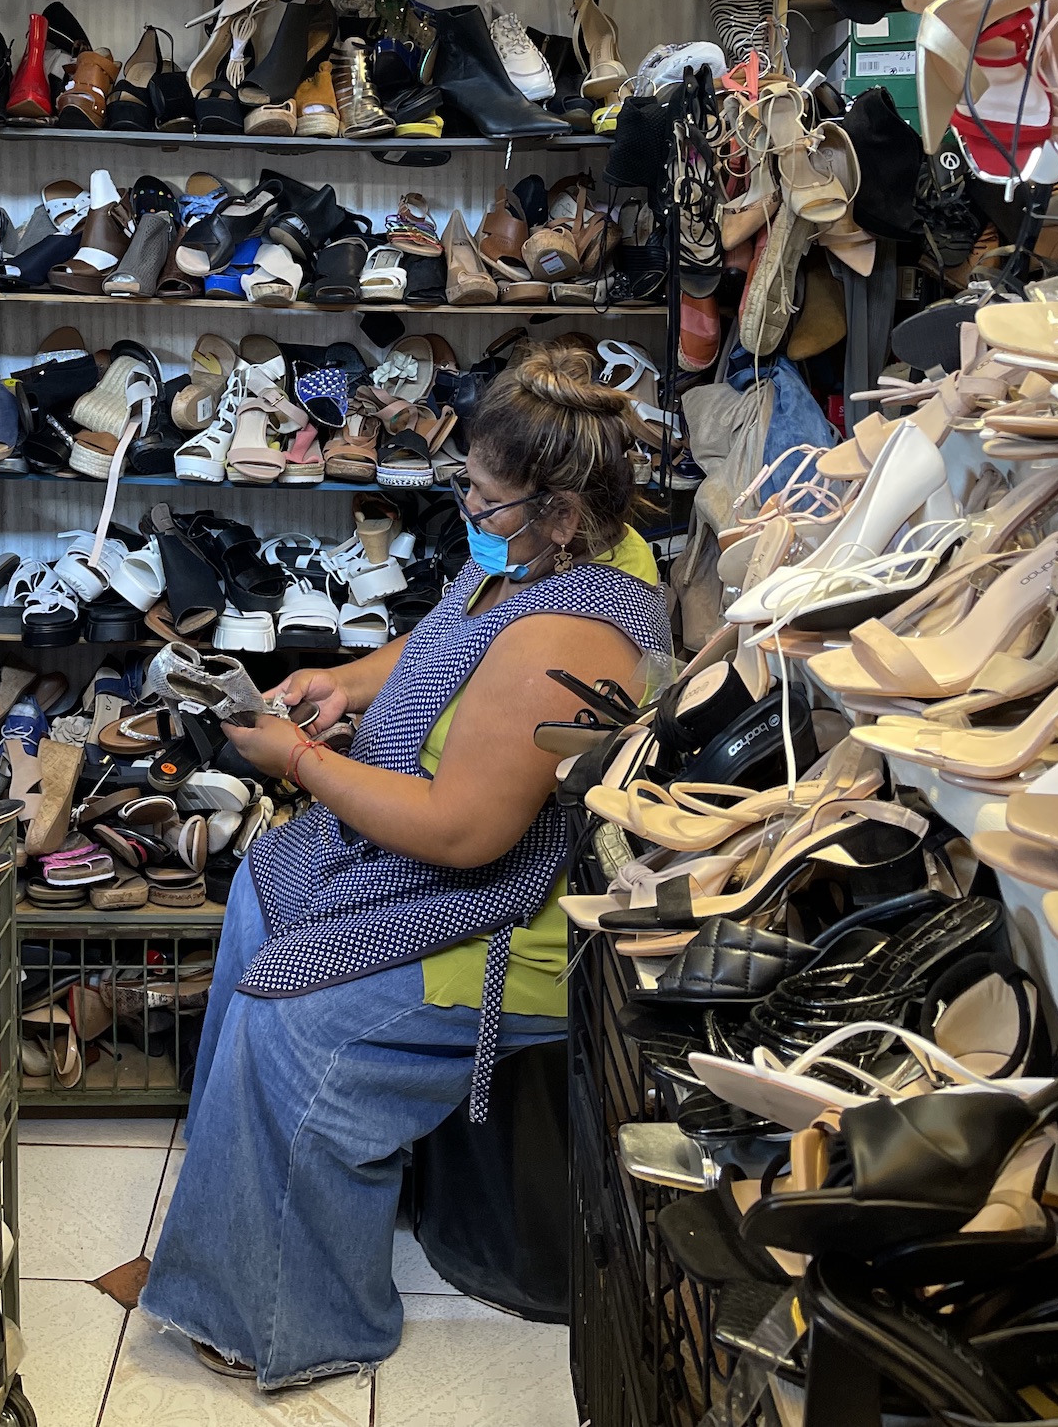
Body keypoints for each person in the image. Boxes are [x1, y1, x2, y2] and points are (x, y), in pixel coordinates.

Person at [141, 357, 671, 1389]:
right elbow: (450, 636)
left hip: (504, 908)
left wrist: (298, 759)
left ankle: (292, 1316)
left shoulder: (572, 629)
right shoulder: (541, 556)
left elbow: (468, 834)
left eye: (481, 494)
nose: (465, 506)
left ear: (556, 512)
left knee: (287, 1020)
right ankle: (240, 1233)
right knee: (262, 886)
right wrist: (339, 682)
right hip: (439, 860)